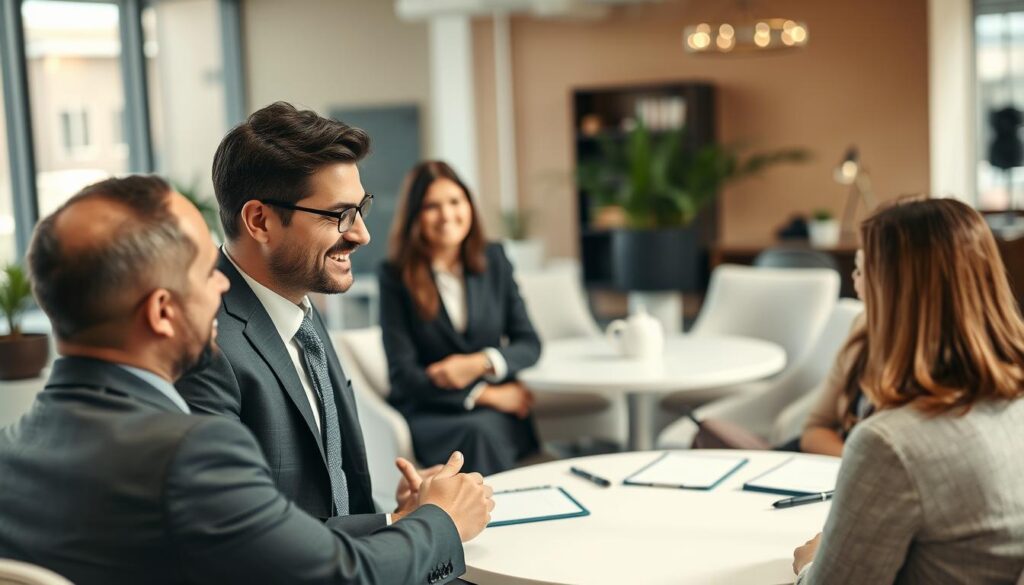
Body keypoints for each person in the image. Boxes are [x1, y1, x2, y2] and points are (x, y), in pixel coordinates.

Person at [0, 175, 492, 585]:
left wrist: (398, 520)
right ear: (162, 312)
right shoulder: (191, 453)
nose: (222, 284)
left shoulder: (10, 450)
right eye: (205, 273)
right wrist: (441, 520)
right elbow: (345, 578)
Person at [176, 102, 433, 528]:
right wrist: (409, 525)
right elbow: (246, 536)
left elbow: (331, 497)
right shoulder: (203, 344)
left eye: (360, 209)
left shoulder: (300, 308)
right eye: (339, 215)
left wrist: (398, 512)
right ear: (260, 221)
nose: (362, 234)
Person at [791, 197, 1024, 583]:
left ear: (890, 297)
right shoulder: (1011, 405)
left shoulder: (890, 444)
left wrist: (810, 563)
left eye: (865, 272)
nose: (857, 286)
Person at [379, 161, 541, 475]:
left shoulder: (494, 259)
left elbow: (530, 343)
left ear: (469, 204)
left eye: (455, 201)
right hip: (433, 410)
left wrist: (480, 362)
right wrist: (485, 394)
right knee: (478, 433)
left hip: (498, 411)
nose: (447, 215)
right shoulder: (395, 276)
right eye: (431, 206)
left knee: (488, 431)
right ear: (415, 215)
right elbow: (403, 375)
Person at [798, 249, 869, 457]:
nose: (854, 277)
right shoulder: (862, 327)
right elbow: (814, 429)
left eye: (861, 270)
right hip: (834, 461)